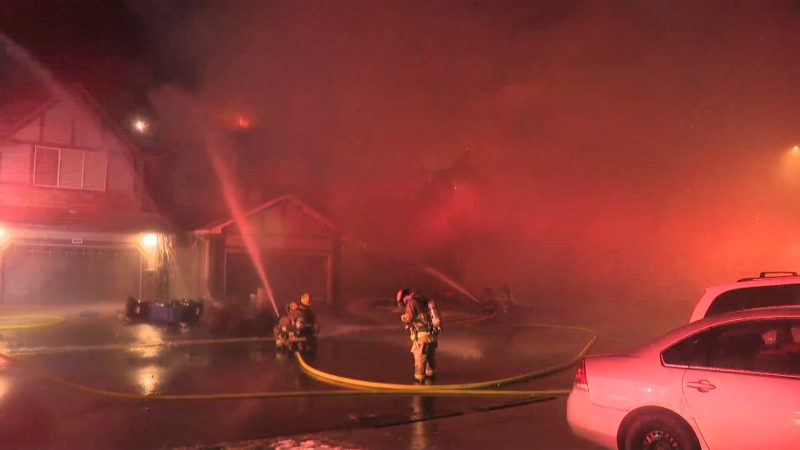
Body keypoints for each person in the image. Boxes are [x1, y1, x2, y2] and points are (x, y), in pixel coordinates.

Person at [397, 288, 442, 382]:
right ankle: (431, 379)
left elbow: (408, 318)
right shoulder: (422, 300)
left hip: (422, 337)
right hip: (432, 336)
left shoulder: (411, 303)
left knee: (420, 358)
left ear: (403, 299)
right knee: (430, 358)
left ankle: (418, 381)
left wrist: (402, 317)